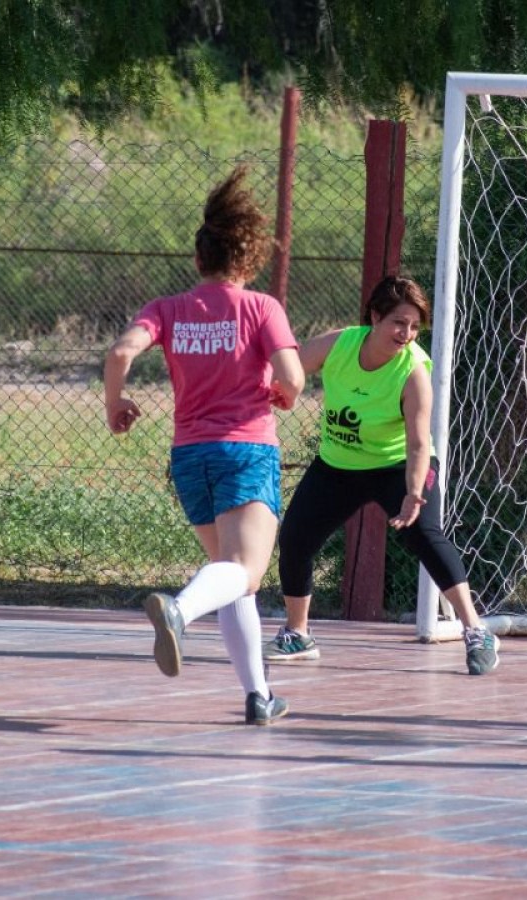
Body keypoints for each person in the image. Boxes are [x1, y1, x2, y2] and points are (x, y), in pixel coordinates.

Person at [103, 164, 304, 725]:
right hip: (245, 450)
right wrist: (279, 392)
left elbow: (121, 353)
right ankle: (180, 609)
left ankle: (259, 696)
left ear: (198, 260)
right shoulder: (262, 308)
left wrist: (115, 404)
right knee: (245, 570)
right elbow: (293, 377)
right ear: (247, 260)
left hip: (189, 456)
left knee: (231, 575)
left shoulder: (166, 309)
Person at [267, 275, 501, 675]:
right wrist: (273, 391)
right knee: (294, 539)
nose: (406, 333)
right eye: (398, 322)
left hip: (398, 466)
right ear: (375, 316)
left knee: (425, 536)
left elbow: (417, 443)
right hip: (338, 464)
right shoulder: (338, 343)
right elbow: (289, 367)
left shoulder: (413, 372)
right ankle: (297, 633)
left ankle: (477, 631)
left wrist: (413, 492)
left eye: (413, 326)